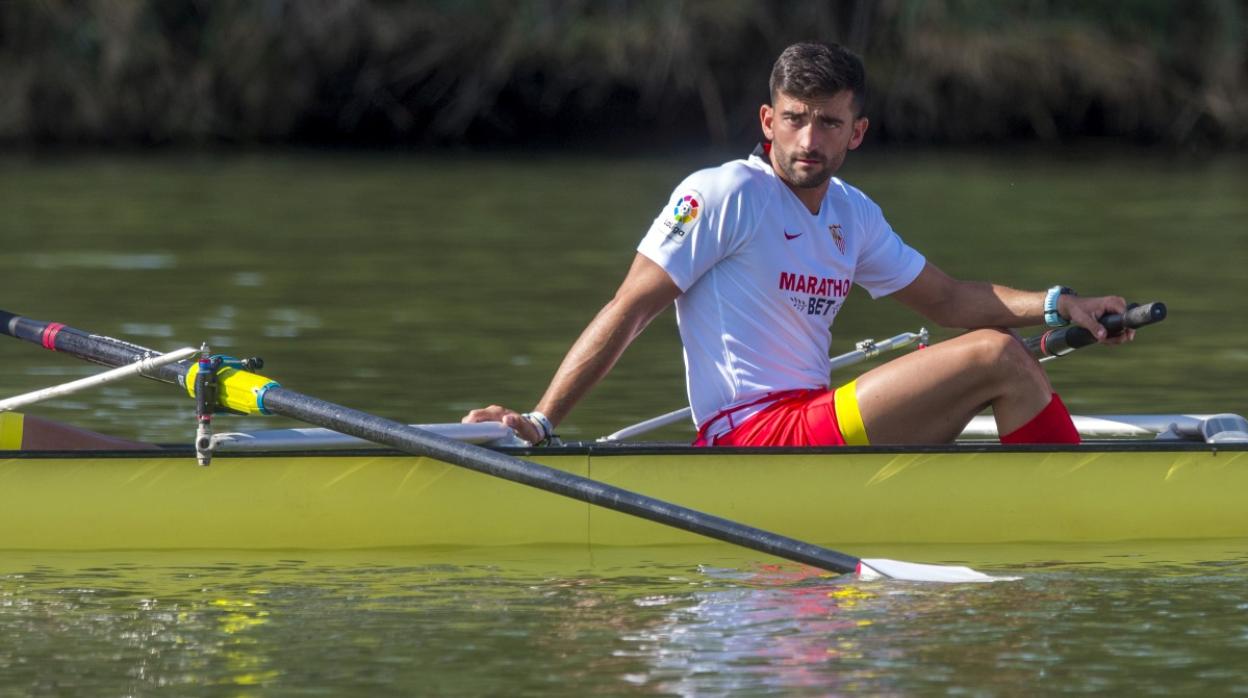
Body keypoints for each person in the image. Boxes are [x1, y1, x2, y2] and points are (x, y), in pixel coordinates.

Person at [464, 42, 1131, 447]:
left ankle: (1037, 510)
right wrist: (543, 420)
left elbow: (953, 299)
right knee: (996, 357)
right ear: (768, 120)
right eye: (795, 120)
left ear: (856, 132)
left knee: (1006, 364)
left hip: (813, 423)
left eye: (828, 123)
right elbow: (630, 306)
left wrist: (1059, 302)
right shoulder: (726, 194)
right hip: (749, 435)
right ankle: (1083, 508)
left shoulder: (852, 213)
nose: (809, 141)